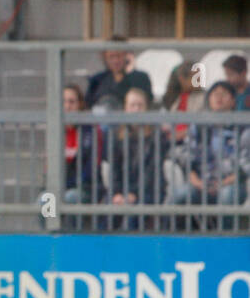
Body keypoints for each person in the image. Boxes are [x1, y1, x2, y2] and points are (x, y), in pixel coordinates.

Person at [167, 80, 244, 226]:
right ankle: (173, 240)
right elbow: (187, 159)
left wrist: (223, 183)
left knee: (227, 197)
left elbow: (245, 167)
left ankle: (225, 239)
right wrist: (197, 182)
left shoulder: (242, 128)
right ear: (209, 99)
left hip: (231, 184)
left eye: (224, 94)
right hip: (201, 184)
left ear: (233, 100)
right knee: (179, 195)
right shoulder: (198, 127)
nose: (218, 97)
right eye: (215, 94)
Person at [103, 87, 168, 231]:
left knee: (131, 218)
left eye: (140, 105)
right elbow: (114, 170)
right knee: (105, 212)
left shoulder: (157, 137)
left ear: (146, 108)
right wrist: (117, 193)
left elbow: (152, 172)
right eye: (132, 105)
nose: (136, 109)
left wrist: (134, 194)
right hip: (122, 192)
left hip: (150, 191)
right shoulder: (116, 135)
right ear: (126, 108)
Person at [61, 84, 101, 214]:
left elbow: (92, 168)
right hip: (59, 187)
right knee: (44, 201)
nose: (67, 106)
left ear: (80, 104)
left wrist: (70, 183)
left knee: (70, 198)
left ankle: (71, 234)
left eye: (72, 102)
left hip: (85, 188)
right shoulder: (55, 132)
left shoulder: (91, 130)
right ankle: (50, 233)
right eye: (63, 102)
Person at [86, 37, 153, 110]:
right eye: (111, 56)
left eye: (119, 56)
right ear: (105, 57)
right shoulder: (97, 80)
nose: (116, 60)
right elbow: (89, 105)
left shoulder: (141, 78)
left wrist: (130, 72)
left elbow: (147, 104)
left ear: (127, 55)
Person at [160, 60, 205, 143]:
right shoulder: (172, 99)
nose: (200, 80)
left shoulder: (204, 98)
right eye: (196, 78)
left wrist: (184, 133)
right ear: (182, 79)